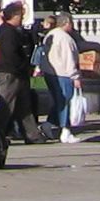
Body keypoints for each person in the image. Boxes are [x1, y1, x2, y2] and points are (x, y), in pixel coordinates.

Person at [0, 0, 37, 141]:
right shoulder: (7, 32)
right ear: (14, 16)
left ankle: (32, 135)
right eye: (21, 16)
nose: (22, 19)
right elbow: (10, 54)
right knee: (6, 105)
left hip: (17, 73)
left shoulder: (11, 31)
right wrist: (21, 67)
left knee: (24, 107)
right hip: (10, 73)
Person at [39, 11, 81, 143]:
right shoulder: (65, 39)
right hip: (63, 73)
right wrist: (75, 76)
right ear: (67, 23)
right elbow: (69, 59)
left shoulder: (50, 35)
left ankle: (50, 123)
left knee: (58, 102)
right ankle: (65, 130)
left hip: (50, 73)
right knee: (65, 102)